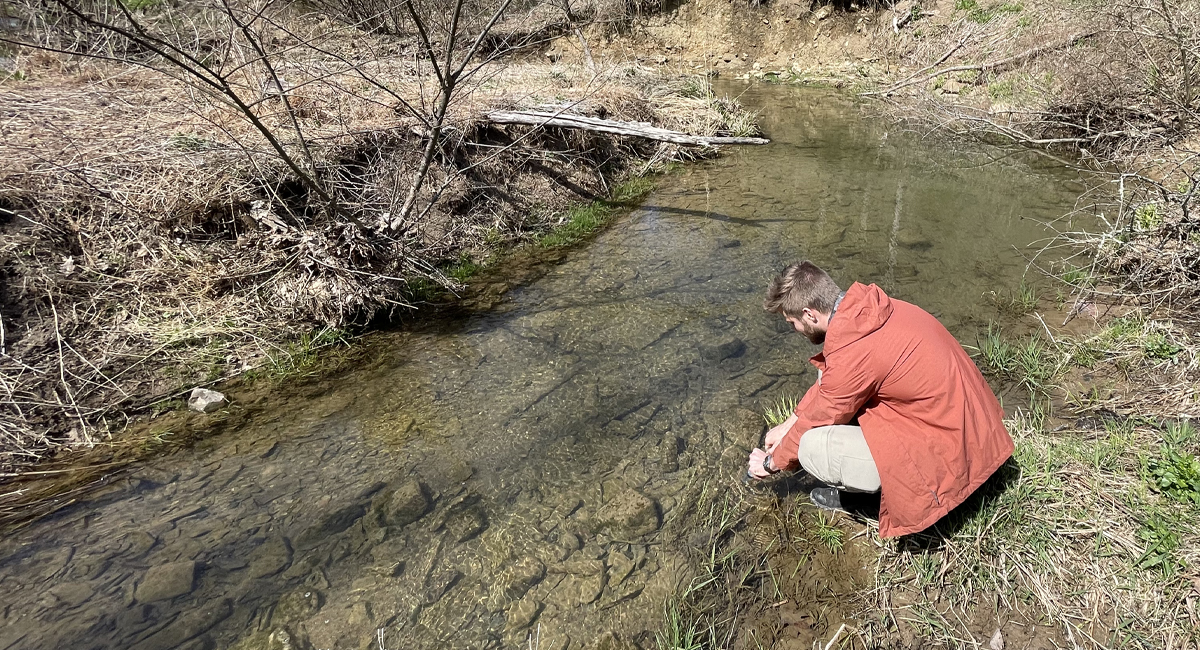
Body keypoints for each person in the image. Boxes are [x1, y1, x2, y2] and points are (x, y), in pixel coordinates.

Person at [746, 261, 1014, 538]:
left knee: (811, 447)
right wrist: (790, 422)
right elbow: (831, 384)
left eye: (793, 324)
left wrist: (770, 464)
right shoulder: (869, 312)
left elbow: (821, 413)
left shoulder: (854, 351)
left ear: (809, 314)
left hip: (957, 462)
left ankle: (871, 501)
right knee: (826, 401)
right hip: (979, 437)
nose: (796, 331)